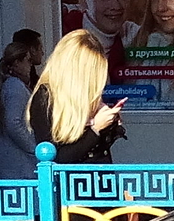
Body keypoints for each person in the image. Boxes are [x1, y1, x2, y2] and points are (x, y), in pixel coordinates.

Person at [29, 30, 124, 165]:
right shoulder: (45, 97)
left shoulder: (85, 95)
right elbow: (56, 156)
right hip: (71, 182)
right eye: (92, 72)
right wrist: (95, 128)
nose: (94, 79)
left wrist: (110, 123)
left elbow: (100, 149)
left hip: (101, 179)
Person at [0, 29, 43, 180]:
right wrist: (34, 149)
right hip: (19, 161)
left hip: (12, 157)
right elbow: (13, 123)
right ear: (17, 63)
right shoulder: (15, 86)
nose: (30, 66)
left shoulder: (8, 84)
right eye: (28, 61)